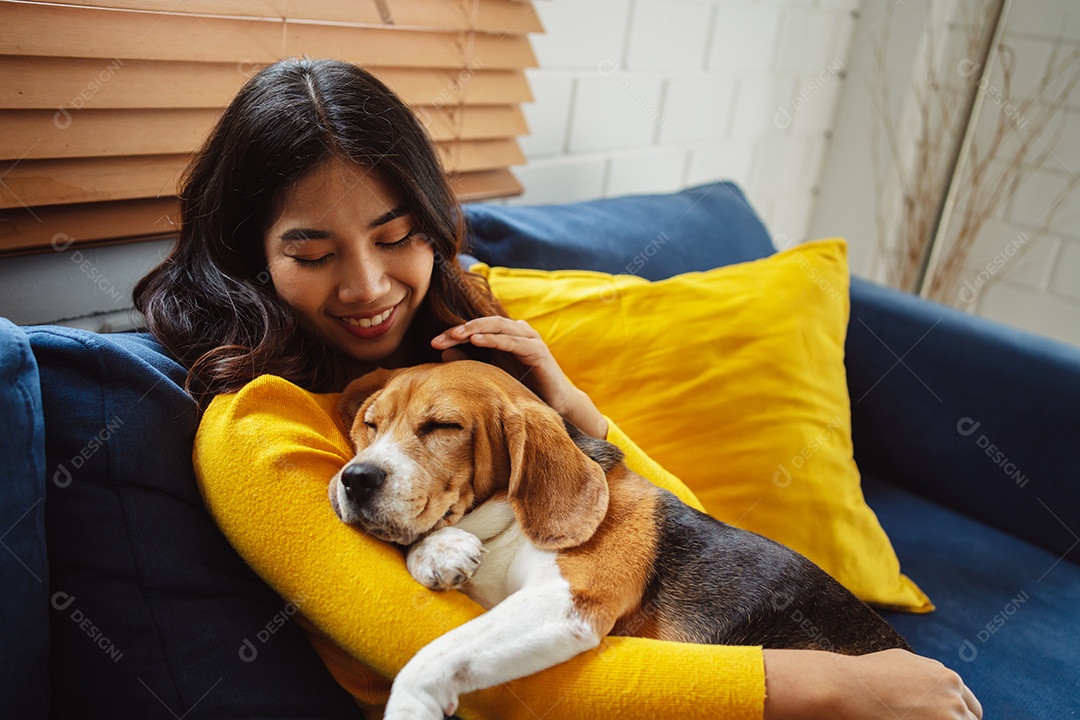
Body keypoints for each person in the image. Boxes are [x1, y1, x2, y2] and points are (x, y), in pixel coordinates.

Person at [135, 57, 983, 719]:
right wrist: (830, 689)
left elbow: (658, 544)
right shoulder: (258, 427)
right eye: (313, 254)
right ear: (251, 258)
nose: (367, 286)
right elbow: (479, 675)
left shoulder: (466, 368)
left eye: (396, 237)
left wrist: (570, 409)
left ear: (433, 229)